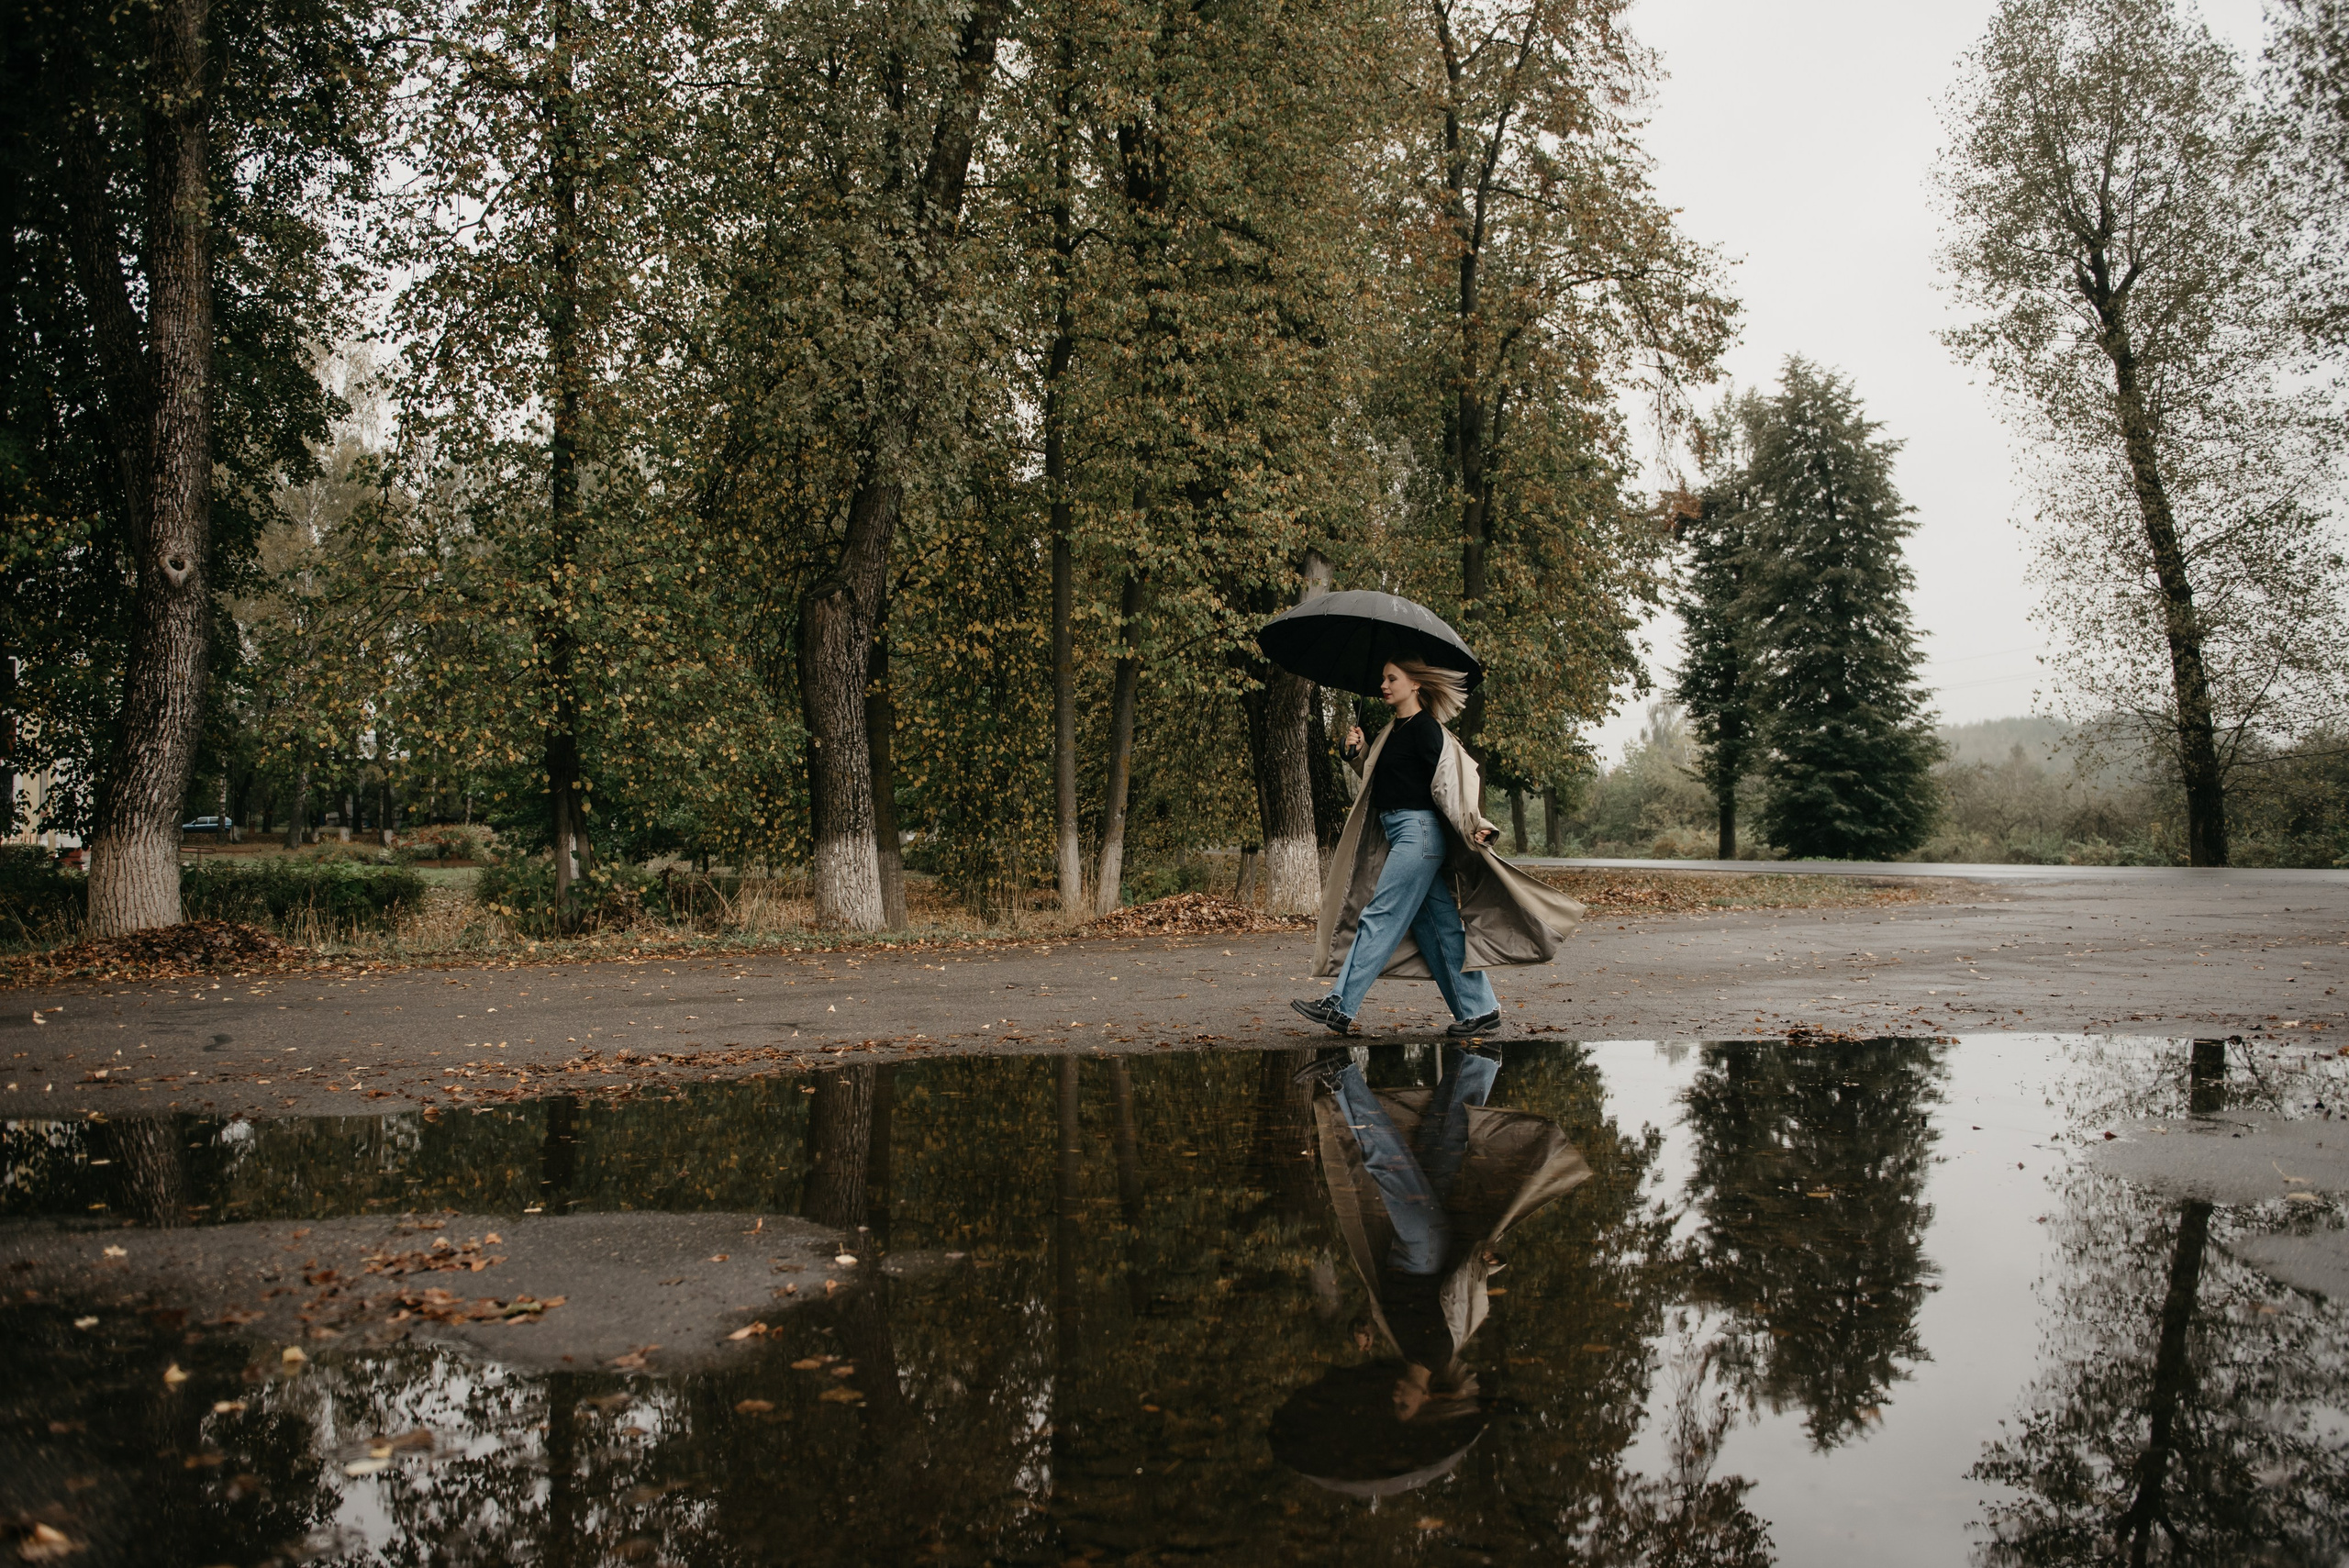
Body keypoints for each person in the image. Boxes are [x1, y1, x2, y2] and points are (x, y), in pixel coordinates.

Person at [1266, 1044, 1591, 1497]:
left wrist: (1365, 1322)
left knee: (1439, 1143)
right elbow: (1464, 1291)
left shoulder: (1405, 1347)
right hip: (1425, 1247)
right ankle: (1342, 1073)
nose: (1395, 1398)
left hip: (1407, 1251)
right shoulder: (1440, 1349)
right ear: (1429, 1401)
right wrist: (1490, 1261)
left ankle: (1479, 1061)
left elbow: (1389, 1298)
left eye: (1394, 1404)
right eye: (1404, 1405)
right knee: (1387, 1165)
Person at [1291, 658, 1583, 1039]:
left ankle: (1340, 1005)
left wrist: (1475, 823)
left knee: (1379, 916)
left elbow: (1450, 783)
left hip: (1420, 835)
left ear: (1415, 684)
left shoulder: (1428, 731)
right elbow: (1386, 784)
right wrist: (1358, 753)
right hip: (1401, 832)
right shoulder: (1390, 731)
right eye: (1382, 678)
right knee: (1439, 929)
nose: (1384, 685)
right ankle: (1481, 1011)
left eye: (1391, 678)